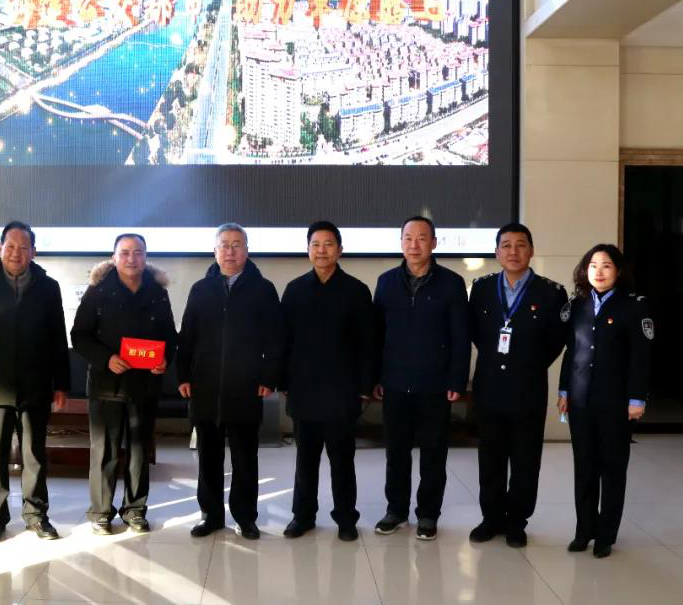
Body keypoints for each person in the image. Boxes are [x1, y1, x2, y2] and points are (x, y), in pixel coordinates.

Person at [0, 221, 70, 542]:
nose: (16, 253)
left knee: (34, 454)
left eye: (23, 248)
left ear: (33, 252)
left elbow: (57, 336)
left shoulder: (48, 287)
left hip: (36, 383)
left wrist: (61, 383)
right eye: (10, 246)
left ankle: (36, 515)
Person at [177, 223, 284, 540]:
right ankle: (210, 515)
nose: (230, 251)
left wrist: (269, 376)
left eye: (237, 245)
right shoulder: (200, 289)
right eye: (224, 245)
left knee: (245, 458)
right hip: (205, 386)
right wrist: (182, 375)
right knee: (208, 458)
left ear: (247, 251)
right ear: (215, 251)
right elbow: (187, 336)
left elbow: (275, 339)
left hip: (245, 387)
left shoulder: (263, 289)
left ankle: (245, 517)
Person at [71, 233, 178, 536]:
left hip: (145, 386)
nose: (132, 258)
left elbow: (170, 336)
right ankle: (101, 512)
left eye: (138, 252)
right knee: (104, 452)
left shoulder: (157, 292)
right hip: (107, 385)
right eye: (125, 253)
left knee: (139, 452)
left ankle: (135, 510)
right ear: (114, 257)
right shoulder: (98, 291)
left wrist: (165, 359)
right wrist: (106, 359)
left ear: (146, 257)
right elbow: (79, 336)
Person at [468, 223, 567, 547]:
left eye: (520, 245)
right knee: (490, 457)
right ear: (497, 252)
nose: (513, 251)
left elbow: (556, 340)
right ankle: (491, 518)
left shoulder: (551, 292)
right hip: (489, 387)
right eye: (506, 245)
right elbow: (476, 333)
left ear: (531, 251)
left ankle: (517, 522)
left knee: (525, 459)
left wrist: (527, 364)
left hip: (528, 388)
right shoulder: (482, 288)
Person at [372, 216, 470, 541]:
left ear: (434, 243)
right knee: (396, 452)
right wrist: (376, 377)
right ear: (401, 242)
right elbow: (377, 334)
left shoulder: (451, 283)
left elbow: (460, 337)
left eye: (421, 238)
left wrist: (457, 380)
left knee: (433, 453)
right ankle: (396, 510)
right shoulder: (386, 282)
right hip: (395, 382)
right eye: (408, 238)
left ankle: (428, 514)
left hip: (435, 385)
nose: (414, 245)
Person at [279, 221, 374, 542]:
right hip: (304, 390)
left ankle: (346, 518)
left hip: (342, 392)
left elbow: (368, 344)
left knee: (342, 461)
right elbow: (283, 341)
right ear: (308, 250)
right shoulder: (294, 290)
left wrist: (365, 387)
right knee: (305, 460)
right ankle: (302, 516)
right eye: (315, 244)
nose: (321, 250)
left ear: (340, 250)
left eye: (328, 244)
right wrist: (283, 381)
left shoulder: (356, 291)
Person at [558, 244, 652, 558]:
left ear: (619, 271)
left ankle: (605, 536)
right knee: (584, 467)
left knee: (612, 468)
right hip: (580, 401)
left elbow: (641, 357)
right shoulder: (578, 305)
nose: (598, 271)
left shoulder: (633, 306)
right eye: (593, 265)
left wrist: (637, 398)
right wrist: (564, 392)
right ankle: (584, 530)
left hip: (617, 403)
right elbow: (571, 352)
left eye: (607, 265)